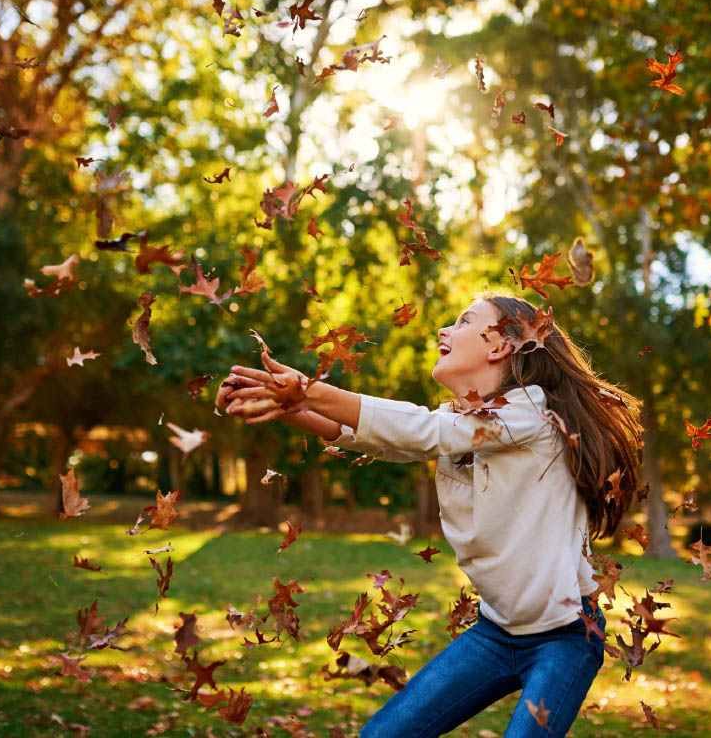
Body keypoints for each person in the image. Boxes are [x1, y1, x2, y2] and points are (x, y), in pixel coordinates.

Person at [217, 293, 644, 737]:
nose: (444, 331)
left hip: (566, 638)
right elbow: (381, 439)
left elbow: (420, 430)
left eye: (462, 322)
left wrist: (307, 388)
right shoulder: (462, 420)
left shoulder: (532, 412)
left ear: (500, 345)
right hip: (496, 632)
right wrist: (289, 406)